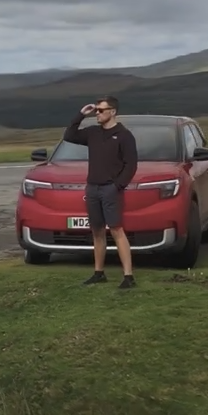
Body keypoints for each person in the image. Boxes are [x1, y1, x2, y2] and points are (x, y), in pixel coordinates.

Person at [61, 96, 138, 288]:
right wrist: (80, 114)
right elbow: (69, 136)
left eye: (101, 110)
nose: (97, 113)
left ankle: (128, 276)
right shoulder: (92, 133)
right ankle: (98, 272)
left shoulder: (124, 135)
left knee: (116, 230)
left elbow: (131, 164)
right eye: (96, 110)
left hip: (110, 189)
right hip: (93, 188)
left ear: (113, 112)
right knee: (97, 231)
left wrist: (118, 185)